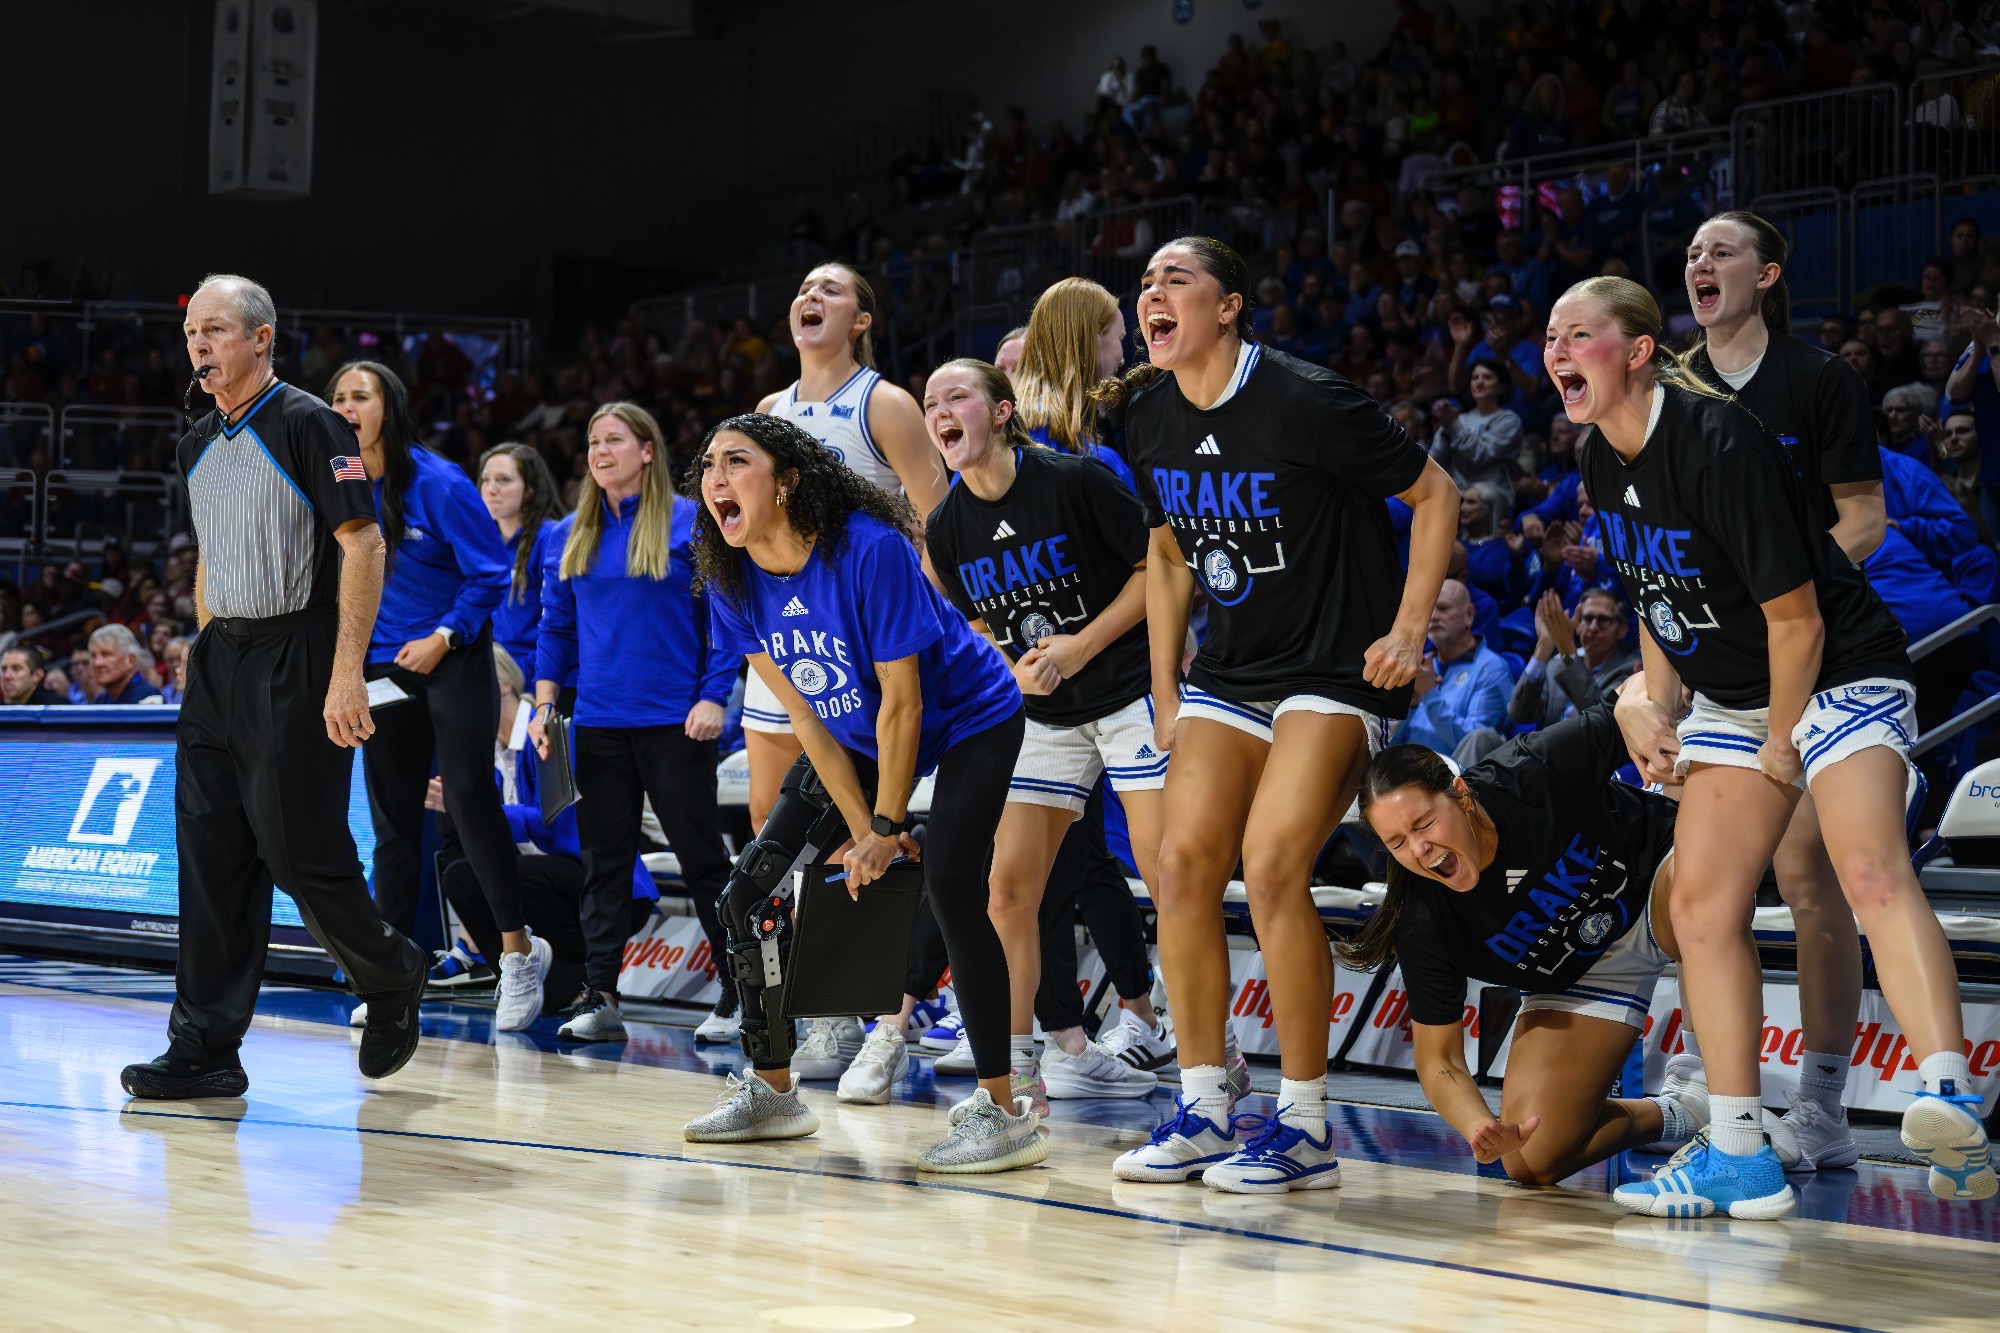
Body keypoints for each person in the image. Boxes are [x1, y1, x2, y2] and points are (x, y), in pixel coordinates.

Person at [1550, 274, 1993, 1214]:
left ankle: (1949, 1089)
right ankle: (1741, 1147)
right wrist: (1653, 705)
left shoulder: (1717, 440)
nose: (1554, 351)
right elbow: (1658, 602)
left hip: (1836, 668)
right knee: (1704, 904)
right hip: (1736, 689)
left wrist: (1784, 742)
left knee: (1867, 864)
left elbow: (1797, 621)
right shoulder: (1599, 460)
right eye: (1549, 336)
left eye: (1576, 334)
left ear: (1634, 351)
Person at [1109, 236, 1458, 1193]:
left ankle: (1304, 1124)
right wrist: (1170, 688)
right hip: (1233, 670)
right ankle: (1204, 1106)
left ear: (1228, 308)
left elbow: (1434, 492)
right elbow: (1171, 551)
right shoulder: (1145, 412)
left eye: (1177, 280)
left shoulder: (1305, 396)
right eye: (1145, 284)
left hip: (1338, 668)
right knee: (1177, 864)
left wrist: (1410, 628)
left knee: (1270, 866)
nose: (1154, 295)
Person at [684, 412, 1036, 1174]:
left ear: (788, 481)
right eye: (709, 464)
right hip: (854, 734)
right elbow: (806, 715)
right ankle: (774, 1090)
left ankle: (1003, 1109)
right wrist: (861, 825)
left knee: (949, 882)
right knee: (748, 895)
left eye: (736, 461)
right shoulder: (731, 573)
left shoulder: (867, 550)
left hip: (971, 715)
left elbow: (902, 702)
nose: (715, 478)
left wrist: (885, 825)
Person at [122, 273, 427, 1101]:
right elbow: (217, 557)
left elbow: (363, 545)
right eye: (192, 334)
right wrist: (200, 642)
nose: (200, 347)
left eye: (216, 331)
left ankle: (393, 970)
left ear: (262, 338)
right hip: (223, 658)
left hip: (300, 649)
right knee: (210, 855)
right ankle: (205, 1047)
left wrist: (344, 674)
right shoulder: (195, 442)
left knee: (300, 849)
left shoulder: (308, 422)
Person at [1682, 212, 1891, 1173]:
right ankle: (1705, 1073)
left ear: (1766, 273)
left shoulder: (1820, 379)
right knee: (1692, 888)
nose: (1699, 263)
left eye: (1719, 251)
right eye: (1690, 254)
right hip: (1715, 668)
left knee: (1811, 882)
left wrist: (1777, 590)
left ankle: (1821, 1102)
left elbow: (1864, 519)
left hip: (1811, 652)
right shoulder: (1667, 385)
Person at [913, 358, 1161, 1106]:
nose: (940, 410)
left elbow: (1160, 569)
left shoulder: (1075, 480)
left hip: (1128, 695)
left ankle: (1215, 1056)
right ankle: (1018, 1074)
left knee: (1170, 877)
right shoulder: (946, 527)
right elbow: (973, 625)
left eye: (956, 395)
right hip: (1046, 715)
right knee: (1007, 892)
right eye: (930, 402)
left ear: (1001, 408)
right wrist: (1008, 663)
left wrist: (1083, 644)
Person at [1343, 699, 1707, 1187]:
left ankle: (1726, 1110)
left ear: (1461, 794)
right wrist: (1478, 1125)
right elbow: (1439, 1060)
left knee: (1707, 898)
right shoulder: (1422, 916)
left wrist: (1641, 701)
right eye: (1397, 843)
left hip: (1659, 878)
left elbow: (1631, 704)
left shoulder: (1527, 771)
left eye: (1424, 824)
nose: (1419, 850)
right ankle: (1687, 1112)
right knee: (1530, 1161)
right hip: (1584, 972)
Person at [326, 362, 547, 1032]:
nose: (345, 407)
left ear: (388, 406)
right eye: (336, 398)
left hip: (454, 657)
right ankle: (393, 979)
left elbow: (489, 572)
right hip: (386, 669)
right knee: (394, 826)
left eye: (358, 396)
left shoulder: (441, 482)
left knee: (470, 799)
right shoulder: (341, 481)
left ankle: (516, 954)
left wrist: (445, 635)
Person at [743, 262, 949, 911]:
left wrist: (913, 622)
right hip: (783, 626)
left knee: (846, 827)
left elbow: (941, 524)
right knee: (768, 825)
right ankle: (792, 987)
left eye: (829, 290)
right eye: (803, 288)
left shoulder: (883, 403)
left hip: (855, 642)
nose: (810, 295)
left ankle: (849, 999)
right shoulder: (770, 411)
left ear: (860, 321)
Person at [529, 402, 737, 1044]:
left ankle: (740, 995)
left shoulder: (689, 525)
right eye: (593, 441)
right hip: (597, 725)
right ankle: (601, 995)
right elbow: (555, 628)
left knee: (704, 862)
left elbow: (726, 620)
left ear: (647, 450)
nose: (599, 450)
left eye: (614, 439)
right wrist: (542, 706)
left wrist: (713, 698)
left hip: (677, 724)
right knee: (604, 866)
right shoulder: (568, 533)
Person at [438, 645, 656, 1009]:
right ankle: (550, 988)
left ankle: (579, 977)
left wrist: (478, 810)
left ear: (503, 684)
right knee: (460, 876)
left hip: (603, 885)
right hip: (542, 880)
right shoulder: (482, 754)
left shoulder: (552, 732)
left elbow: (558, 821)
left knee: (504, 876)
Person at [1393, 579, 1513, 766]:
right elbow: (1388, 742)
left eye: (1443, 608)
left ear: (1469, 615)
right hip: (1404, 772)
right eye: (1430, 609)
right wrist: (1411, 704)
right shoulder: (1421, 663)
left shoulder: (1491, 669)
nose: (1433, 616)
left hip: (1453, 782)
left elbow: (1476, 746)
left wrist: (1429, 694)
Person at [478, 442, 565, 673]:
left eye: (503, 480)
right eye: (486, 479)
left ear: (530, 489)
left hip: (530, 675)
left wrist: (516, 675)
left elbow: (561, 630)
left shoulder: (551, 539)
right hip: (491, 668)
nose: (490, 488)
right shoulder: (481, 541)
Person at [1508, 587, 1639, 728]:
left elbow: (1600, 720)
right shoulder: (1558, 662)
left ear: (1622, 629)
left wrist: (1567, 652)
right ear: (1578, 625)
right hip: (1549, 748)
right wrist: (1544, 645)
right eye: (1588, 619)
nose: (1593, 628)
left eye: (1603, 620)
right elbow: (1519, 714)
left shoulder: (1631, 672)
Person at [84, 624, 161, 705]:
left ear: (130, 660)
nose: (97, 663)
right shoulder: (100, 701)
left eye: (106, 654)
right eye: (93, 655)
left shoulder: (148, 700)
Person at [0, 645, 67, 705]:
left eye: (16, 669)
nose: (6, 676)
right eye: (4, 669)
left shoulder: (55, 707)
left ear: (37, 675)